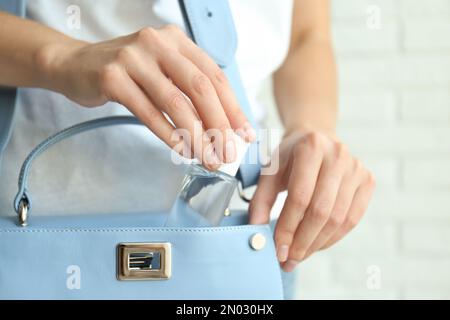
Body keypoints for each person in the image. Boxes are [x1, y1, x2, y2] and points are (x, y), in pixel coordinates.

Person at [0, 0, 375, 274]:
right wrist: (63, 57)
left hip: (238, 244)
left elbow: (305, 36)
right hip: (37, 242)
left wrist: (311, 128)